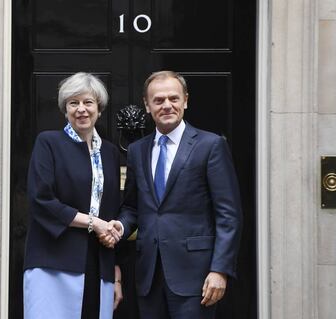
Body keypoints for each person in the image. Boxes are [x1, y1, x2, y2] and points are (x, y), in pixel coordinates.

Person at [102, 71, 242, 318]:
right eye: (158, 100)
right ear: (147, 105)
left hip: (197, 278)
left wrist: (220, 269)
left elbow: (228, 215)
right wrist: (121, 227)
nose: (167, 105)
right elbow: (133, 207)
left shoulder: (210, 146)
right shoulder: (137, 150)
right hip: (148, 276)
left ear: (185, 100)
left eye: (173, 98)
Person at [23, 72, 123, 319]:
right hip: (53, 261)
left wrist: (117, 273)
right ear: (65, 109)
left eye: (88, 102)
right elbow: (41, 200)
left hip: (99, 263)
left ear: (99, 109)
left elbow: (113, 211)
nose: (81, 109)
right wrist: (93, 223)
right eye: (73, 103)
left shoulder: (110, 153)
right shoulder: (48, 143)